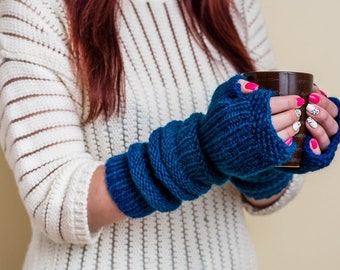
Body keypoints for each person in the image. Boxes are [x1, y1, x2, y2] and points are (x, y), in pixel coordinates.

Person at [0, 0, 339, 269]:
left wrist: (268, 161)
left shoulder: (232, 4)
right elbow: (54, 201)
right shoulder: (34, 8)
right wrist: (201, 152)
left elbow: (271, 194)